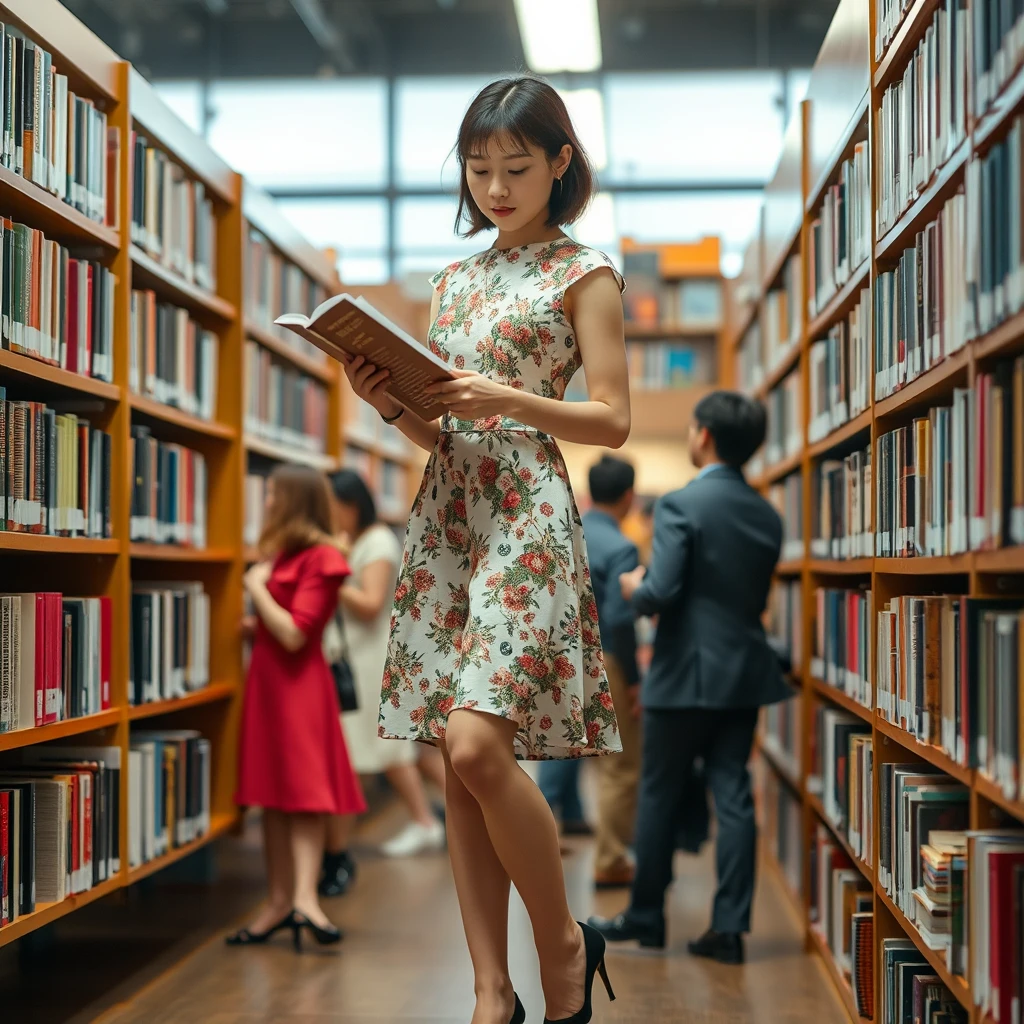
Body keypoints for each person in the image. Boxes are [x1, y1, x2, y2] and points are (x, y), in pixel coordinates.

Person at [342, 76, 628, 1024]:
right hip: (447, 516)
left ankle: (561, 948)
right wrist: (390, 401)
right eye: (479, 169)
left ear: (561, 164)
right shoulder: (454, 282)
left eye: (516, 166)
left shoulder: (584, 273)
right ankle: (488, 991)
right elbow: (445, 432)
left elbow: (613, 420)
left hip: (529, 517)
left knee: (473, 744)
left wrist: (507, 399)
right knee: (461, 756)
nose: (496, 187)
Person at [589, 391, 793, 965]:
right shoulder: (767, 514)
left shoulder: (681, 505)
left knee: (658, 789)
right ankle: (728, 929)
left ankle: (647, 917)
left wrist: (633, 587)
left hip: (682, 673)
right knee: (733, 793)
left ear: (702, 435)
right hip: (744, 670)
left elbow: (660, 592)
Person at [231, 464, 367, 950]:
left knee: (306, 796)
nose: (265, 502)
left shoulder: (323, 556)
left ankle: (306, 900)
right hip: (268, 686)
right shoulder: (281, 553)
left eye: (272, 494)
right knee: (271, 795)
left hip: (300, 688)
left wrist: (256, 589)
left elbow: (294, 633)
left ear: (292, 500)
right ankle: (277, 903)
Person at [319, 469, 446, 895]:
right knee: (388, 750)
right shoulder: (351, 541)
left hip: (372, 660)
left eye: (332, 505)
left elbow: (371, 605)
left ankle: (422, 822)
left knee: (385, 750)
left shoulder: (376, 543)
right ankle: (429, 820)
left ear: (350, 505)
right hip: (351, 659)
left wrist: (331, 570)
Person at [575, 455, 642, 890]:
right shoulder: (621, 547)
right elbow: (619, 617)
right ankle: (611, 858)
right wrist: (634, 678)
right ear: (629, 497)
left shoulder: (570, 531)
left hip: (566, 657)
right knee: (622, 764)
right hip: (608, 659)